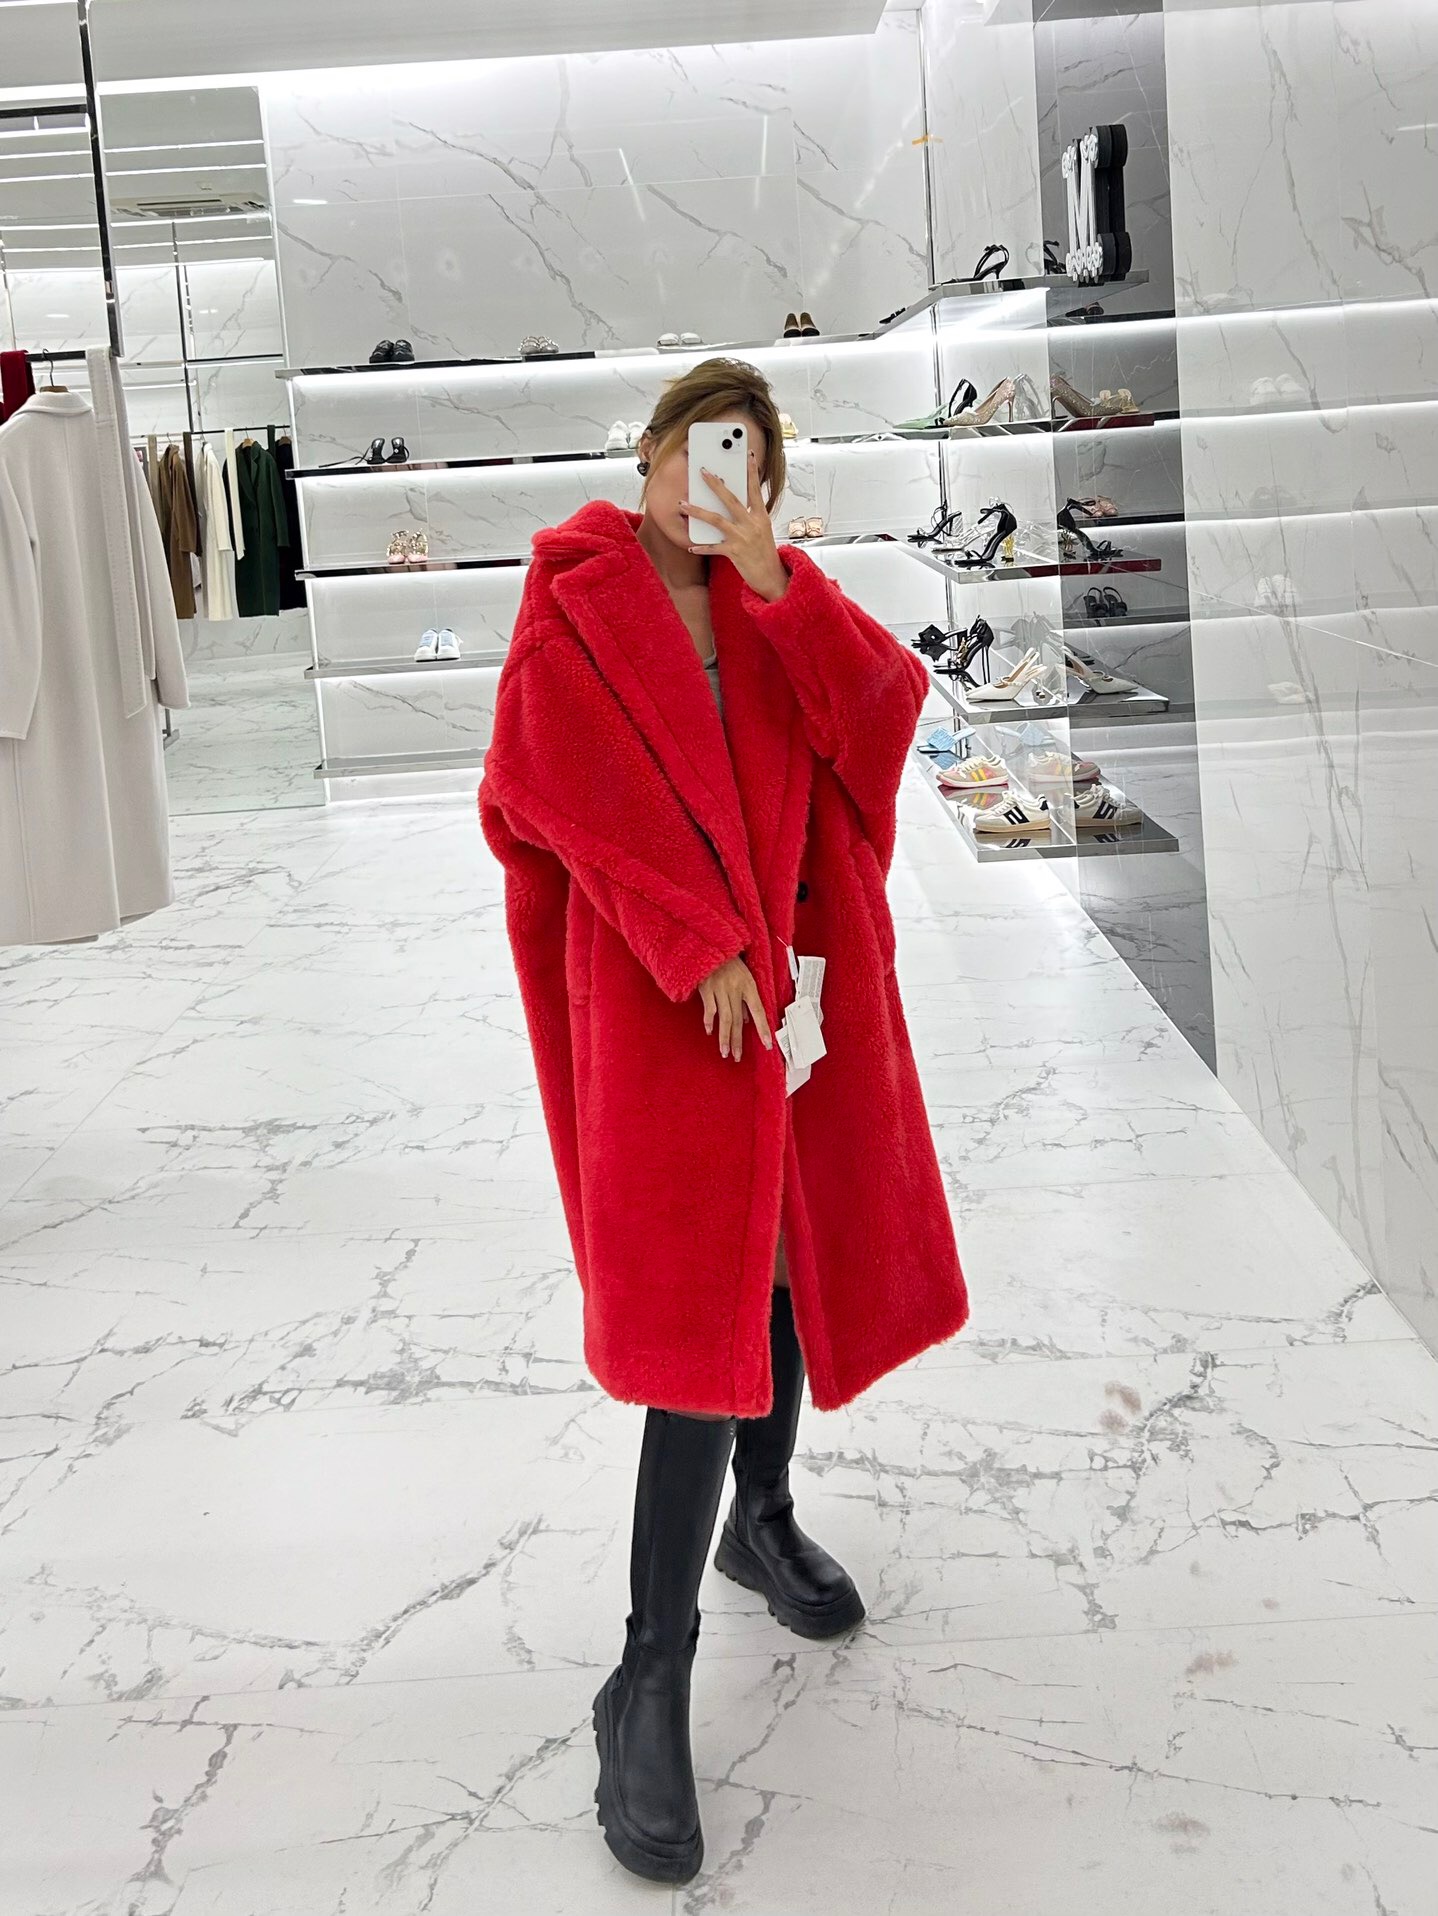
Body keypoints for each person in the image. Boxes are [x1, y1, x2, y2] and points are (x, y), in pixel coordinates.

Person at [479, 357, 968, 1885]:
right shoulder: (574, 597)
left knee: (790, 1271)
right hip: (670, 1007)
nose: (713, 482)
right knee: (705, 1317)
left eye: (745, 459)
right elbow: (548, 787)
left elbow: (883, 725)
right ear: (646, 454)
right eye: (695, 450)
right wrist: (697, 945)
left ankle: (761, 1515)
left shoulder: (776, 593)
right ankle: (647, 1673)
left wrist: (778, 588)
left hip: (804, 995)